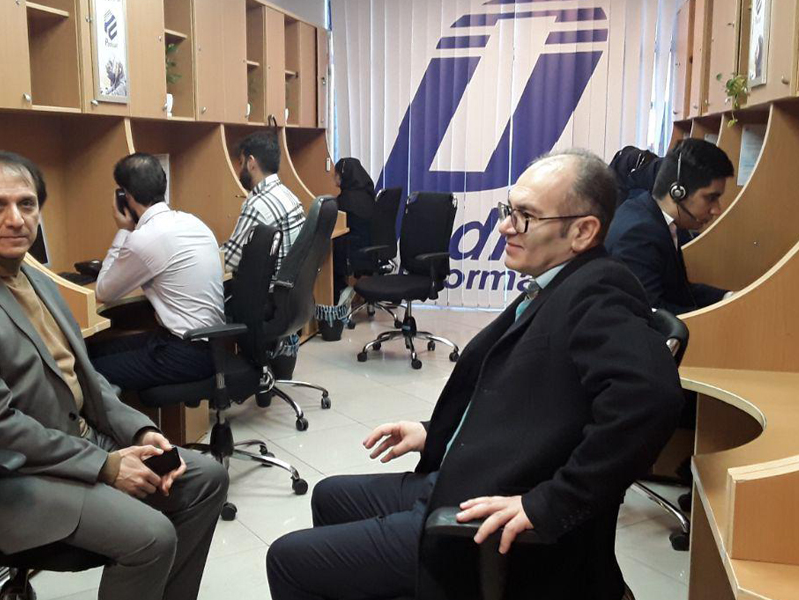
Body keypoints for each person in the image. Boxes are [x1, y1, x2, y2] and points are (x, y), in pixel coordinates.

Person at [265, 149, 684, 600]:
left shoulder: (599, 291)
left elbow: (653, 398)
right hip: (465, 476)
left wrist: (551, 503)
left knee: (288, 559)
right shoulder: (558, 282)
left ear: (582, 231)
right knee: (328, 495)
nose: (505, 226)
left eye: (525, 217)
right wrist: (434, 433)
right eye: (509, 210)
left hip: (485, 521)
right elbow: (525, 402)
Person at [0, 151, 228, 600]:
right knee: (151, 536)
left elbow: (88, 378)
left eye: (26, 204)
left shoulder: (36, 279)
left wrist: (139, 430)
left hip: (75, 444)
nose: (16, 219)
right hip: (6, 477)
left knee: (205, 478)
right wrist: (106, 466)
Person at [88, 153, 225, 391]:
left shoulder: (145, 238)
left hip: (184, 354)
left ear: (126, 197)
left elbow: (103, 292)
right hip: (208, 345)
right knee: (94, 350)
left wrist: (123, 230)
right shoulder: (193, 222)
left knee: (87, 371)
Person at [605, 138, 735, 314]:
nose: (717, 210)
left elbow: (679, 291)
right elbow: (651, 312)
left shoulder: (652, 217)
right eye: (711, 198)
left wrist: (727, 297)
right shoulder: (639, 235)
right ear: (677, 192)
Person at [221, 131, 306, 273]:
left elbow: (228, 262)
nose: (239, 170)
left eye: (241, 163)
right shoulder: (288, 194)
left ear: (251, 163)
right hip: (291, 282)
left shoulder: (258, 205)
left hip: (270, 285)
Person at [331, 157, 376, 301]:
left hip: (354, 249)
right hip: (370, 246)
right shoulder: (368, 194)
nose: (334, 177)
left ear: (343, 176)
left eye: (336, 174)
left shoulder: (345, 200)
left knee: (326, 252)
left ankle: (339, 294)